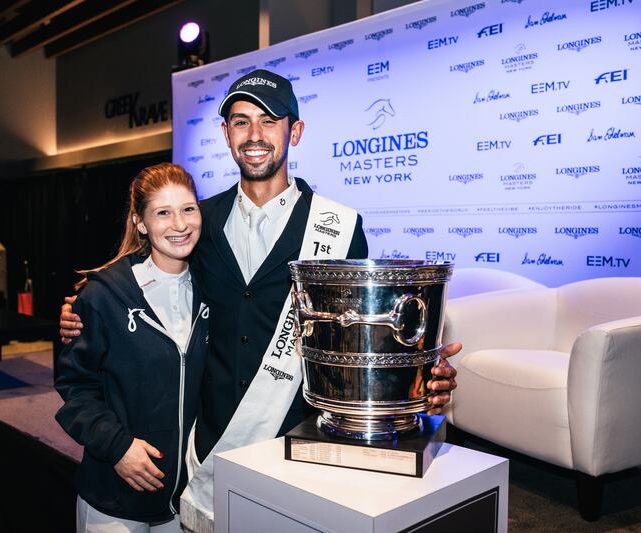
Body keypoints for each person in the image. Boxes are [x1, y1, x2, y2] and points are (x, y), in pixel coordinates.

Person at [60, 70, 459, 531]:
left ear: (296, 130)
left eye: (269, 121)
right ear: (226, 133)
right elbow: (141, 279)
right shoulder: (198, 221)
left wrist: (422, 374)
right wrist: (80, 309)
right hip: (205, 440)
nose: (254, 135)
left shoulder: (339, 227)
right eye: (241, 121)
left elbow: (364, 333)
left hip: (293, 441)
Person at [54, 163, 210, 533]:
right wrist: (117, 446)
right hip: (116, 491)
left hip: (184, 496)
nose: (180, 224)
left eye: (188, 209)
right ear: (140, 222)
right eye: (163, 212)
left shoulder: (214, 290)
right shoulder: (104, 296)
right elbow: (75, 387)